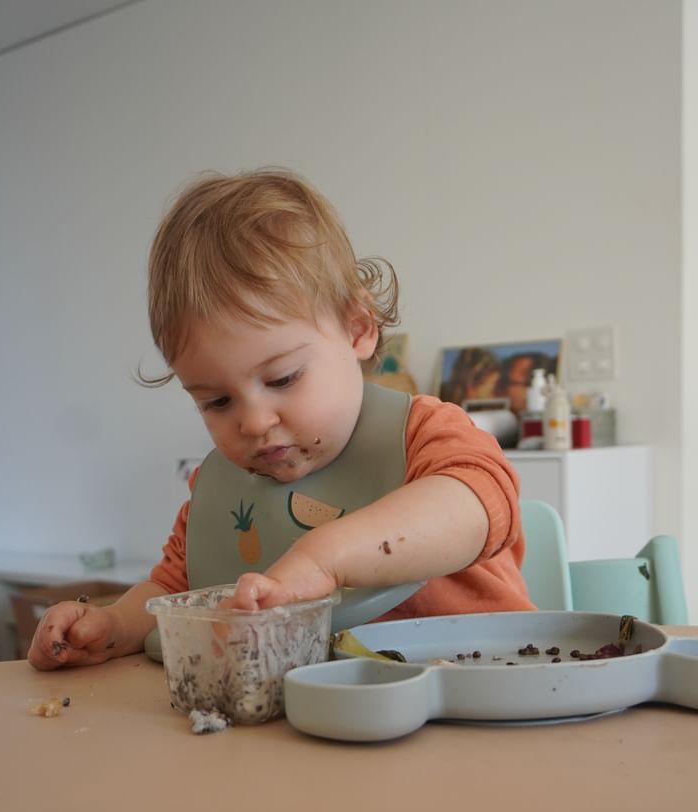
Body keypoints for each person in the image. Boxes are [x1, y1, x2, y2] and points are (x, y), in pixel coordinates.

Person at [28, 169, 533, 671]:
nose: (253, 421)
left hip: (482, 686)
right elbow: (176, 589)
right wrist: (112, 626)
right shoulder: (221, 489)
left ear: (358, 329)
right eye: (217, 402)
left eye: (283, 379)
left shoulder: (421, 433)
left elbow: (479, 504)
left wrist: (323, 559)